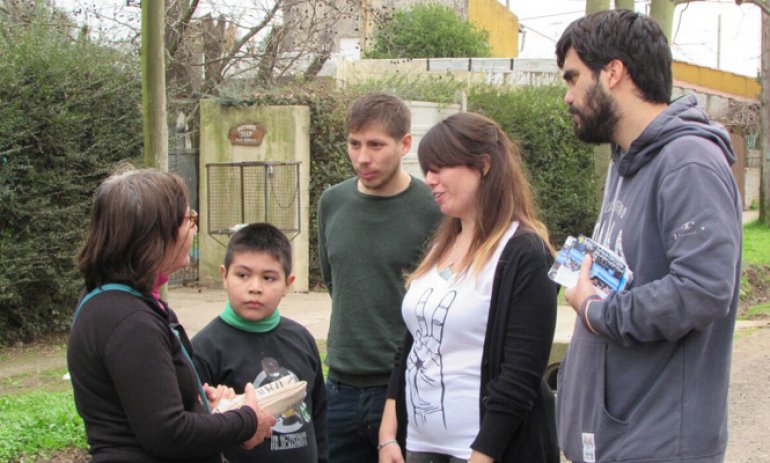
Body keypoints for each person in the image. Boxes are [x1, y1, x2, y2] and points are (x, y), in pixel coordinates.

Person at [555, 10, 742, 463]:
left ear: (613, 72)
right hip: (613, 440)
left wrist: (599, 311)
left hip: (656, 445)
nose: (568, 96)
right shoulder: (627, 161)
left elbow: (703, 289)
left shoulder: (688, 161)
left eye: (573, 78)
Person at [378, 111, 560, 463]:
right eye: (427, 169)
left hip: (481, 453)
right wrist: (388, 434)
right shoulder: (441, 245)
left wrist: (482, 455)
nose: (428, 180)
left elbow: (520, 373)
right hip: (418, 445)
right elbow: (411, 344)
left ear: (484, 166)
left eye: (440, 168)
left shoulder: (524, 253)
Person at [68, 167, 276, 463]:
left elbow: (150, 406)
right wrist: (246, 421)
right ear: (155, 235)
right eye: (187, 219)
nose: (194, 227)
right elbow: (168, 432)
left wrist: (205, 408)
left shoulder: (115, 303)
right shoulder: (129, 321)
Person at [317, 92, 442, 463]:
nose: (362, 158)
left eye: (375, 144)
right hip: (338, 388)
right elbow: (333, 281)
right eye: (354, 144)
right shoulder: (332, 202)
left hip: (405, 389)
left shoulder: (434, 208)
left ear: (405, 144)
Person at [192, 222, 328, 463]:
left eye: (268, 278)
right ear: (224, 276)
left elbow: (319, 417)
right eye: (242, 275)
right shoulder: (205, 348)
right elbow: (195, 432)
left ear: (288, 283)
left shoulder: (301, 339)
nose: (255, 288)